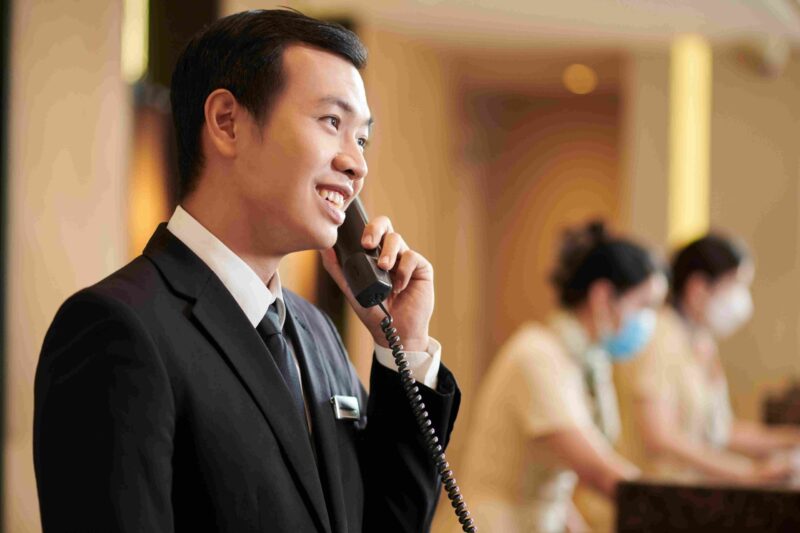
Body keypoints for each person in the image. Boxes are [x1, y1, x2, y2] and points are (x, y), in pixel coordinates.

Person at [33, 10, 460, 533]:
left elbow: (386, 524)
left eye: (363, 138)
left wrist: (405, 346)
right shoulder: (115, 329)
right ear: (226, 122)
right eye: (332, 122)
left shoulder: (319, 334)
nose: (357, 163)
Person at [456, 221, 666, 533]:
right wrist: (679, 507)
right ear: (603, 295)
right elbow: (598, 471)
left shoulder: (585, 362)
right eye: (644, 304)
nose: (649, 321)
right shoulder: (538, 356)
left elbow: (554, 483)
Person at [616, 233, 800, 484]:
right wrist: (746, 472)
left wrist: (789, 440)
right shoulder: (658, 337)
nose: (741, 299)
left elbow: (719, 430)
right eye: (735, 284)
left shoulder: (700, 342)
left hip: (686, 497)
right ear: (698, 287)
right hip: (650, 499)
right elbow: (660, 437)